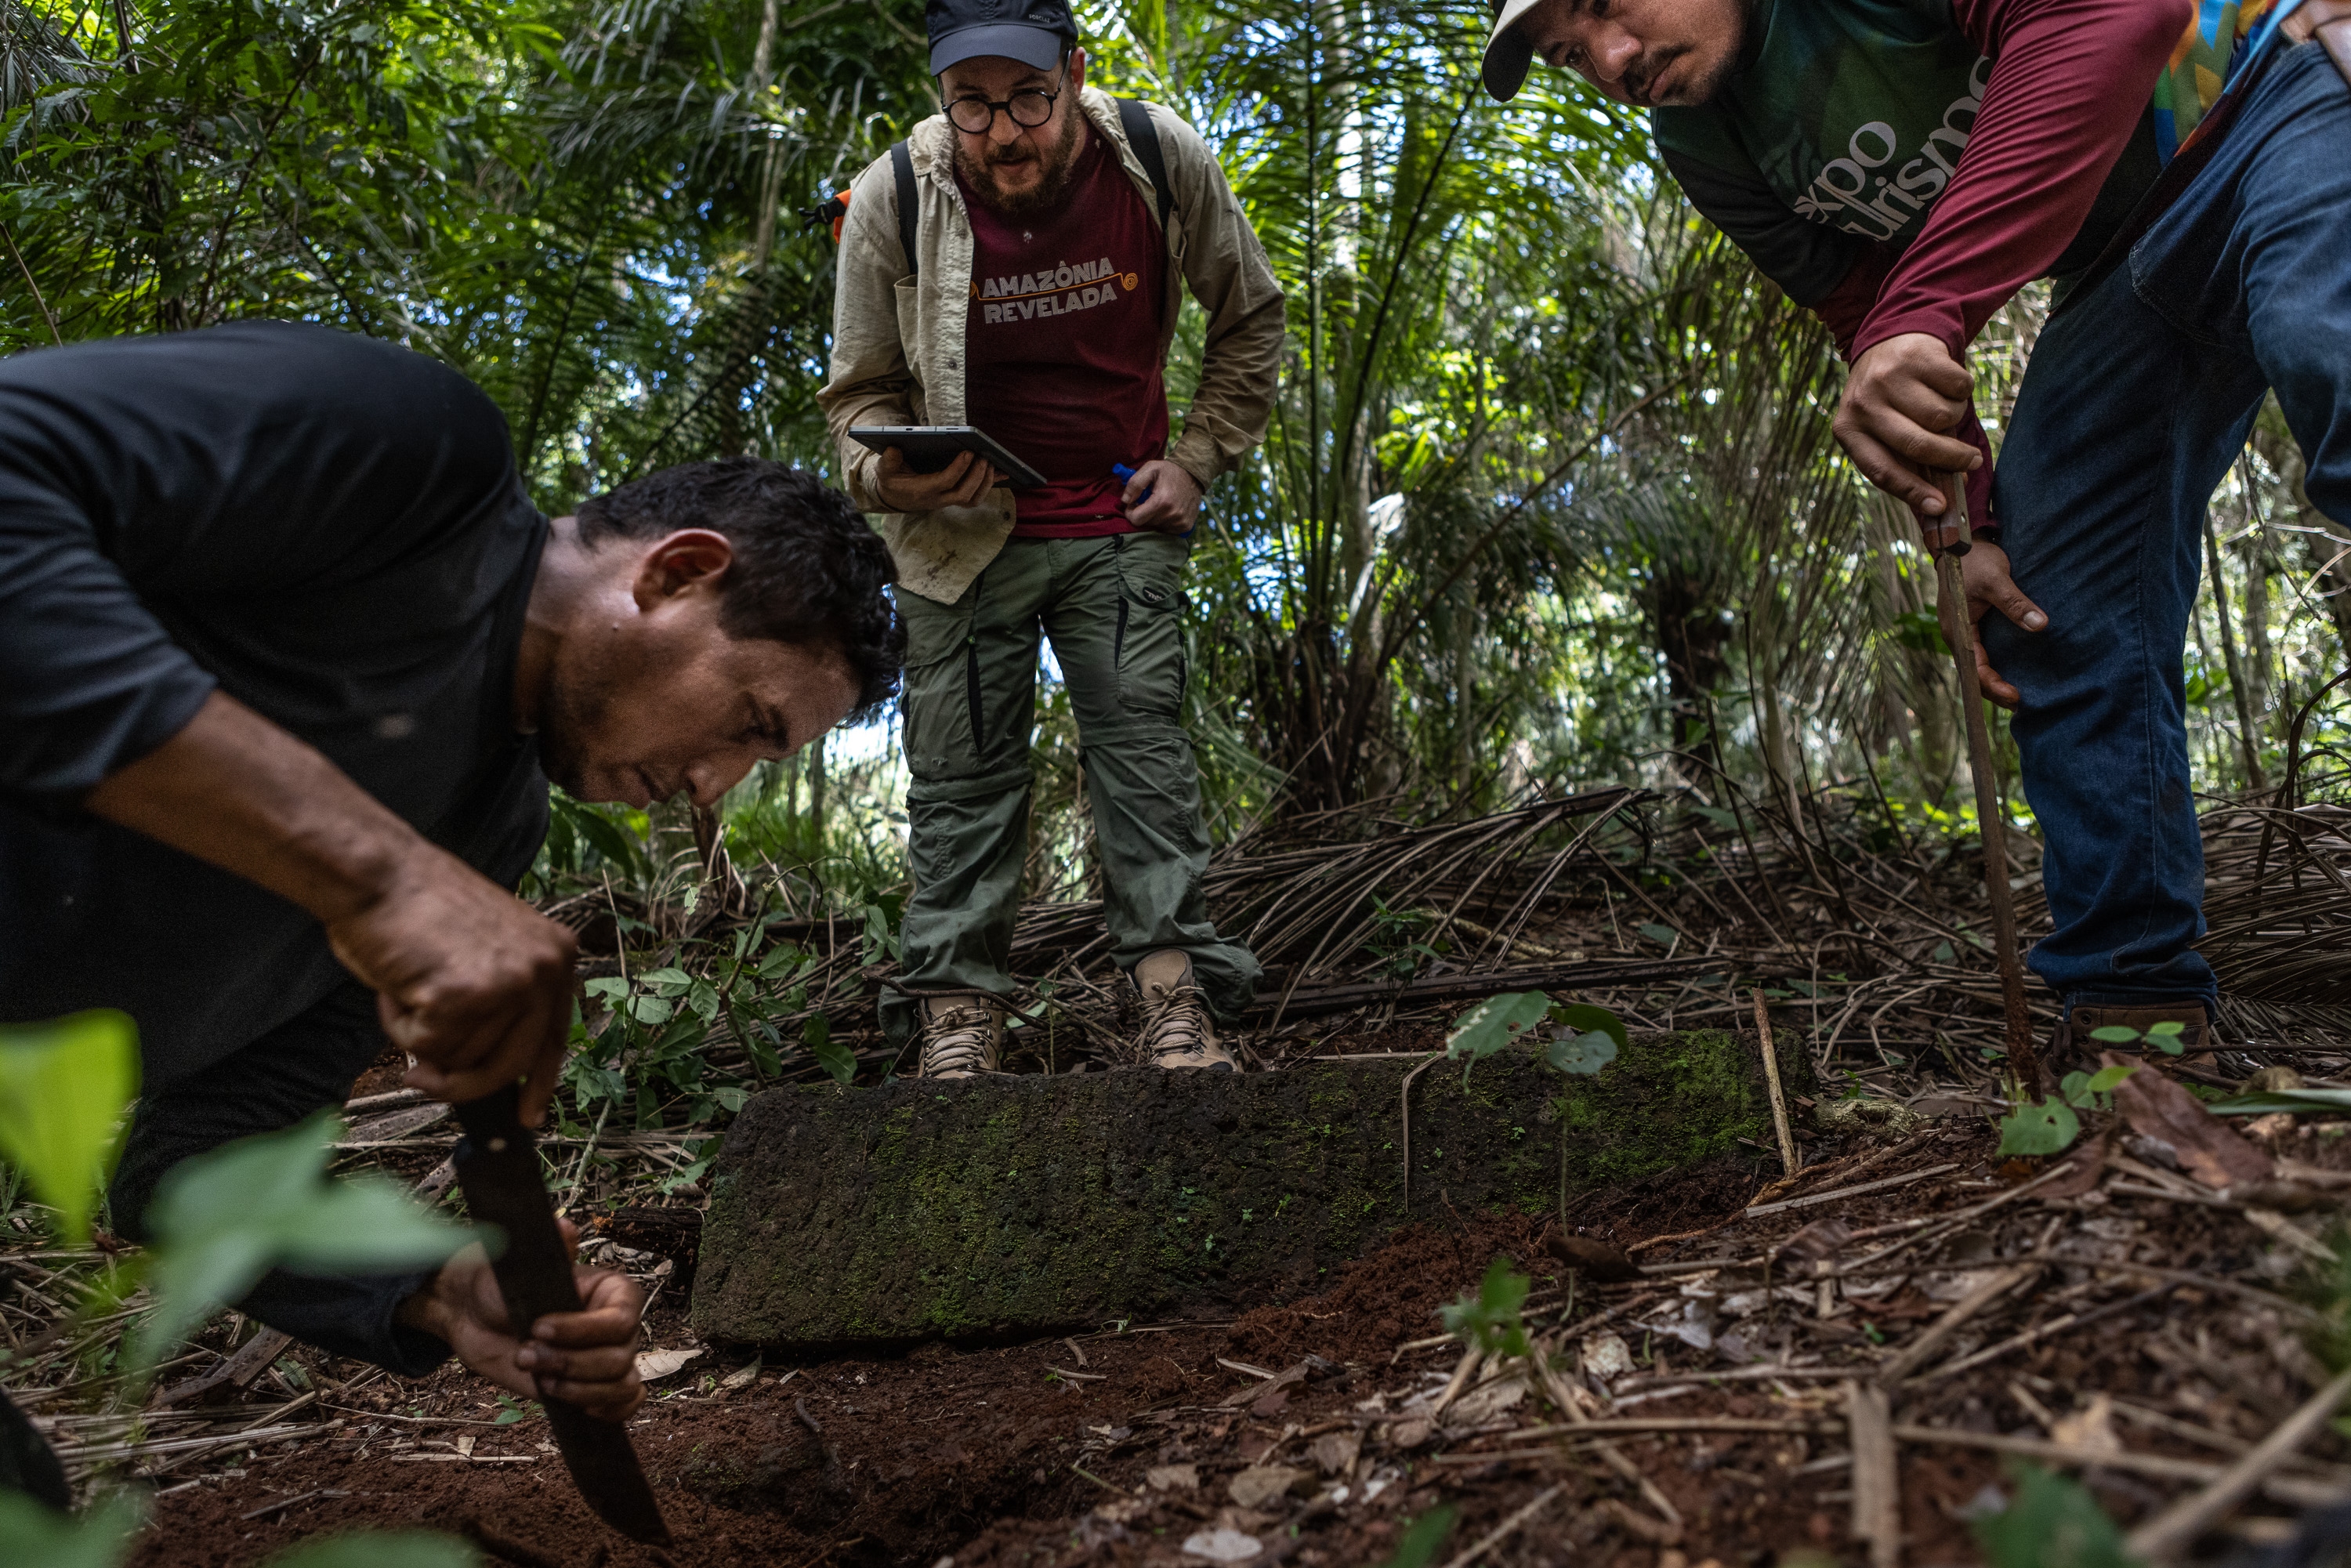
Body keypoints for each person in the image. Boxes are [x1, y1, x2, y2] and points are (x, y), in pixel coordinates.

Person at [0, 320, 902, 1414]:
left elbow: (195, 1162)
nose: (714, 784)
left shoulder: (488, 834)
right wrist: (378, 875)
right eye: (749, 722)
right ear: (678, 573)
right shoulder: (414, 456)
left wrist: (428, 1286)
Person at [1478, 0, 2351, 1061]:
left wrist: (1925, 306)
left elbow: (2114, 15)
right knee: (2051, 600)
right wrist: (1966, 527)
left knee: (2329, 340)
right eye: (1570, 54)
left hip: (2267, 95)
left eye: (1607, 4)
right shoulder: (1705, 142)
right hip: (2128, 260)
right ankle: (2140, 1029)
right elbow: (1871, 316)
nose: (1612, 59)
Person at [820, 0, 1285, 1076]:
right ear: (942, 96)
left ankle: (1175, 1003)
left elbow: (1250, 314)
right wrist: (893, 474)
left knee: (1144, 764)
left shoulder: (1157, 158)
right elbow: (856, 400)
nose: (1003, 131)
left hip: (1121, 519)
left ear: (1074, 75)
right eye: (972, 104)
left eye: (1029, 97)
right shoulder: (895, 193)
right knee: (959, 779)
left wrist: (1196, 459)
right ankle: (956, 1023)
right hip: (960, 540)